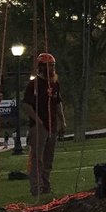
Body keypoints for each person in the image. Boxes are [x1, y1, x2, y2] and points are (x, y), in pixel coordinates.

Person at [23, 52, 66, 196]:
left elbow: (58, 102)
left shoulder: (54, 83)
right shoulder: (33, 85)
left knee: (49, 158)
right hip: (38, 127)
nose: (52, 69)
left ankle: (46, 185)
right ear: (41, 67)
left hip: (52, 125)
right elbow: (26, 105)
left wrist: (62, 121)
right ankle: (36, 187)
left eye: (53, 66)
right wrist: (38, 121)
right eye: (49, 66)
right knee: (37, 159)